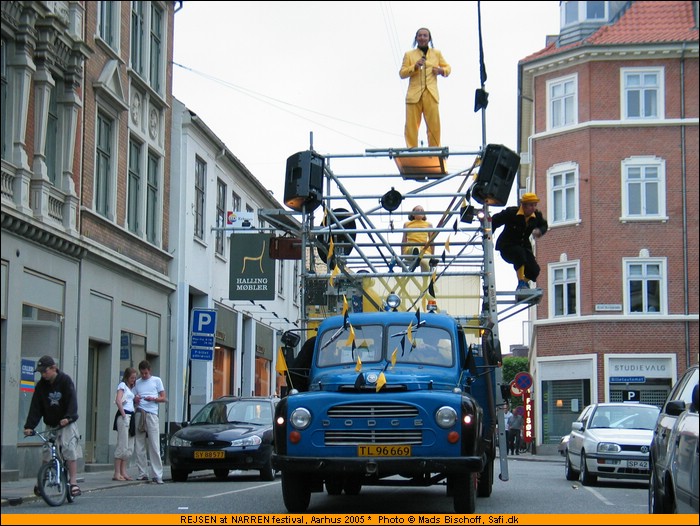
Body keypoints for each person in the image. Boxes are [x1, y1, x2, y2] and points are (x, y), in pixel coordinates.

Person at [23, 355, 83, 498]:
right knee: (47, 452)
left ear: (53, 368)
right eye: (41, 372)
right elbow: (35, 407)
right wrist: (29, 426)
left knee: (69, 450)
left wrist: (68, 417)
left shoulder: (65, 381)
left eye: (45, 371)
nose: (43, 374)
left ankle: (73, 482)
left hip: (66, 423)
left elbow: (72, 401)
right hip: (51, 423)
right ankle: (41, 481)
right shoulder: (40, 386)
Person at [399, 27, 451, 148]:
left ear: (429, 38)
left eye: (425, 36)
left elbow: (448, 68)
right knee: (411, 126)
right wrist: (415, 67)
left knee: (434, 125)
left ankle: (435, 150)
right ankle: (411, 149)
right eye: (420, 35)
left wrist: (441, 71)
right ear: (416, 38)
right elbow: (402, 73)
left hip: (431, 94)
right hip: (414, 95)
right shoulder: (409, 55)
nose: (422, 38)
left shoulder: (436, 53)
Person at [491, 192, 548, 291]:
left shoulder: (536, 216)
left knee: (535, 270)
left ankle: (525, 283)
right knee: (519, 254)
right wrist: (488, 235)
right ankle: (521, 283)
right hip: (508, 246)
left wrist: (540, 231)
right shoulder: (511, 213)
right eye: (531, 205)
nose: (533, 208)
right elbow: (495, 220)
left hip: (524, 246)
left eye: (535, 205)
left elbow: (544, 225)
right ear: (524, 205)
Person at [132, 360, 167, 484]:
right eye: (142, 373)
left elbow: (164, 398)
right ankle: (142, 473)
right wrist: (135, 399)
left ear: (149, 371)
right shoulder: (137, 383)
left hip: (152, 413)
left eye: (146, 373)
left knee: (154, 444)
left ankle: (157, 474)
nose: (144, 375)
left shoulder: (157, 380)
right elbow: (132, 398)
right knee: (139, 444)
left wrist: (154, 399)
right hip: (140, 412)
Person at [112, 367, 137, 481]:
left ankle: (124, 471)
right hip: (125, 415)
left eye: (135, 378)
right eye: (132, 378)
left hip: (131, 415)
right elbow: (118, 400)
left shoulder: (130, 389)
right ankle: (117, 472)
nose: (133, 380)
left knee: (129, 446)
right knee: (122, 444)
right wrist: (123, 415)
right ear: (127, 377)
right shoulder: (122, 386)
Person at [401, 205, 436, 272]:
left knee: (424, 262)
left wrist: (432, 256)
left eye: (422, 210)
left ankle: (426, 282)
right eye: (417, 210)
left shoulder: (428, 225)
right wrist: (402, 256)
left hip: (424, 251)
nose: (420, 211)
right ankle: (416, 253)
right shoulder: (407, 224)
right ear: (413, 214)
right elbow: (404, 240)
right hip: (410, 250)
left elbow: (432, 241)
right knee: (415, 248)